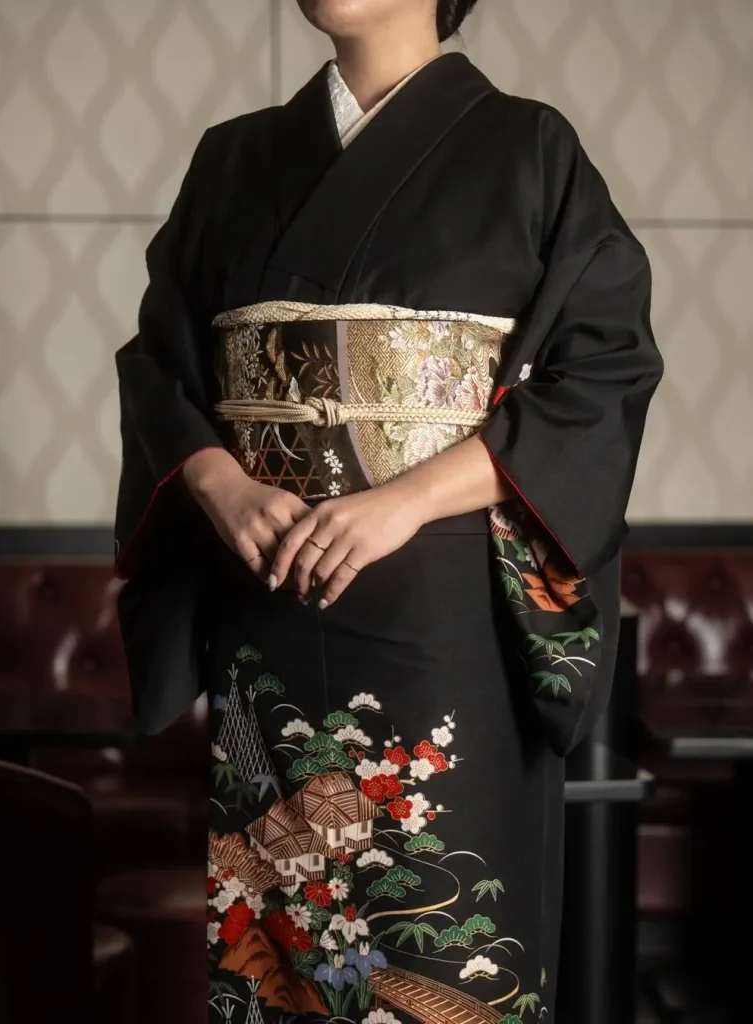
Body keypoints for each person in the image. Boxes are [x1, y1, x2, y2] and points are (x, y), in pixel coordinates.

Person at [113, 0, 663, 1020]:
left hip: (444, 629)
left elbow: (602, 373)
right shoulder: (232, 160)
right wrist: (219, 481)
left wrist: (403, 502)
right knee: (277, 960)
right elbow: (159, 367)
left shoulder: (528, 148)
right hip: (267, 605)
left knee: (448, 950)